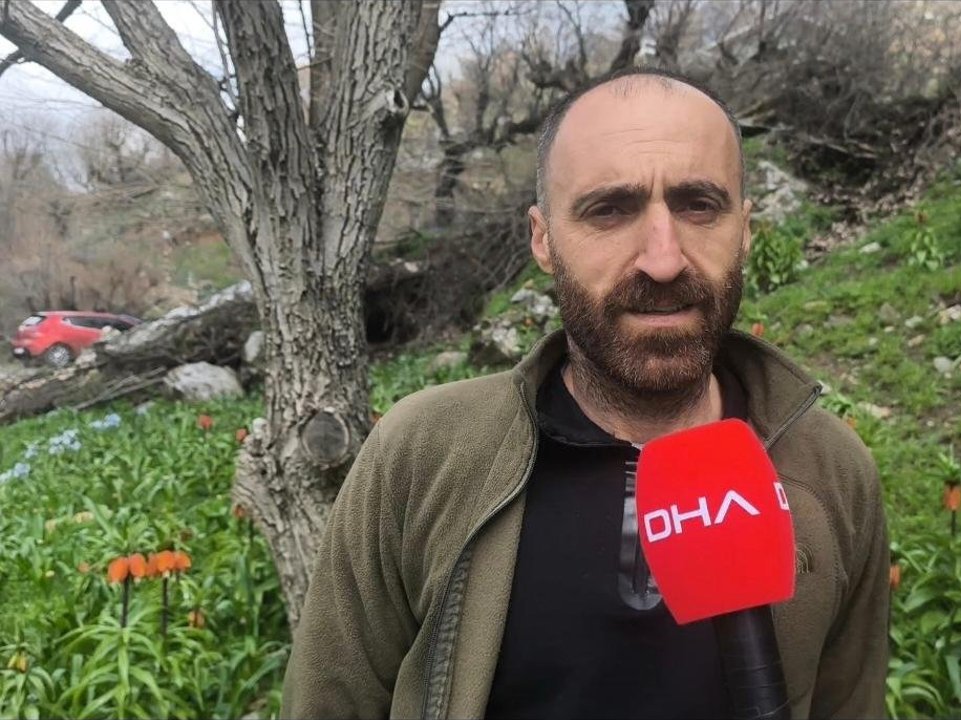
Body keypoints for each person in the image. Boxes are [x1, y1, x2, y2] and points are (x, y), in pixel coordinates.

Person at [281, 67, 890, 720]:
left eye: (698, 205)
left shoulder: (832, 471)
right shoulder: (421, 454)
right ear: (543, 239)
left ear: (743, 229)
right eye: (610, 210)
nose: (663, 259)